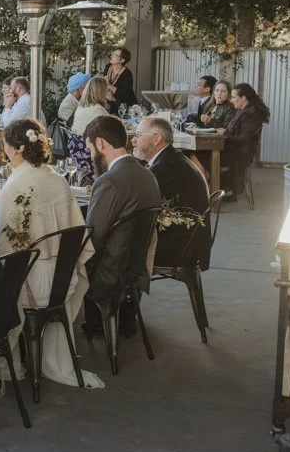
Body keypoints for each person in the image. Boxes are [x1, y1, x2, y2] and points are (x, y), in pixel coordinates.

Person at [0, 118, 101, 390]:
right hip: (62, 279)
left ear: (14, 149)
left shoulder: (16, 186)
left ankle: (7, 363)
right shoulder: (57, 179)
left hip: (31, 283)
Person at [83, 116, 161, 304]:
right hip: (136, 270)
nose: (91, 156)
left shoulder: (109, 181)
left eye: (90, 149)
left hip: (109, 275)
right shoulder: (148, 174)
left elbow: (93, 238)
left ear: (100, 143)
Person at [133, 117, 210, 269]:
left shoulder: (166, 167)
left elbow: (139, 203)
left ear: (156, 139)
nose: (134, 140)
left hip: (181, 247)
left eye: (138, 135)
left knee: (117, 245)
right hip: (189, 239)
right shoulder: (171, 158)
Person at [222, 83, 271, 196]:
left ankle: (214, 191)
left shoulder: (251, 115)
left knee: (201, 155)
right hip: (235, 151)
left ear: (243, 98)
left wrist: (225, 133)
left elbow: (243, 139)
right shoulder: (243, 111)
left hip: (240, 156)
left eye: (234, 97)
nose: (231, 100)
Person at [103, 46, 137, 115]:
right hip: (110, 103)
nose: (112, 56)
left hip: (125, 106)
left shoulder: (127, 73)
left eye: (115, 55)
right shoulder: (108, 67)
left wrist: (109, 85)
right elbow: (104, 82)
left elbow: (124, 92)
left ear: (122, 60)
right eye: (112, 54)